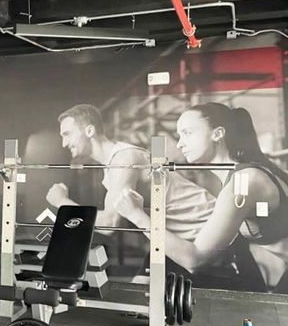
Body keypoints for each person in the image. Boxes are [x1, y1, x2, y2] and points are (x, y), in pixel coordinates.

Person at [118, 103, 288, 291]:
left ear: (218, 134)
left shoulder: (243, 182)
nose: (180, 144)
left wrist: (136, 215)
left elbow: (195, 260)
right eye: (179, 136)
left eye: (187, 133)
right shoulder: (239, 177)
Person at [46, 104, 215, 239]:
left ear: (90, 131)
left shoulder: (123, 159)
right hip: (186, 237)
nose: (64, 143)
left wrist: (61, 202)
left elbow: (109, 224)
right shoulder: (112, 164)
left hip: (209, 227)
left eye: (67, 134)